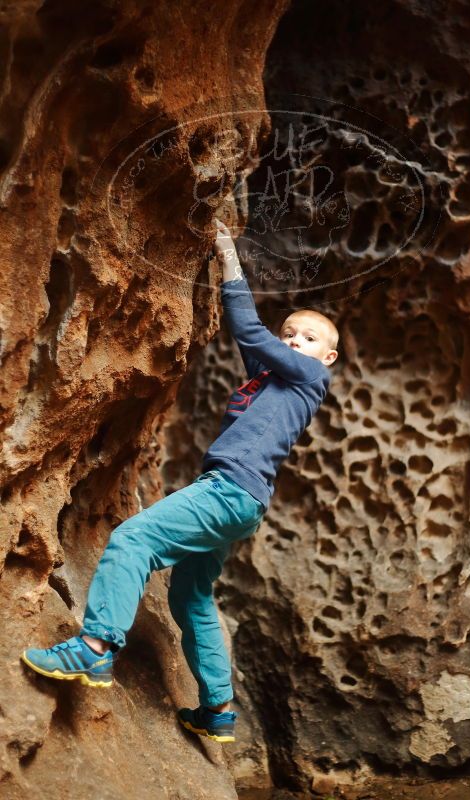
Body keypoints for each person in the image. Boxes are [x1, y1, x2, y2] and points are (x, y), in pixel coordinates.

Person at [20, 218, 339, 744]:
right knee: (191, 596)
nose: (295, 341)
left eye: (309, 338)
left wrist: (228, 260)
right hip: (242, 503)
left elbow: (252, 334)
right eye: (291, 334)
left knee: (132, 539)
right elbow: (257, 350)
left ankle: (94, 649)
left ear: (327, 358)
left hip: (228, 491)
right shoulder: (278, 379)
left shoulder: (310, 376)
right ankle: (217, 709)